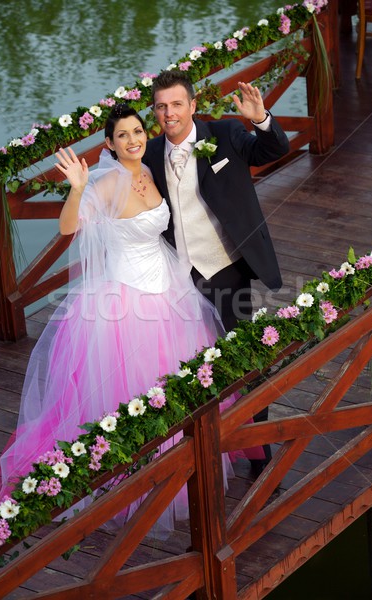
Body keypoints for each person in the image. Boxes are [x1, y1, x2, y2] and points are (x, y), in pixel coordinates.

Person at [0, 104, 263, 536]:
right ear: (110, 144)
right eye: (123, 135)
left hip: (170, 291)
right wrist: (78, 188)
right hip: (124, 301)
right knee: (130, 389)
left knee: (178, 382)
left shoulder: (149, 171)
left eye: (138, 131)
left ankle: (182, 463)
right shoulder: (106, 183)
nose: (134, 140)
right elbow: (67, 228)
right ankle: (136, 479)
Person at [143, 71, 290, 475]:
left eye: (176, 104)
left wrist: (261, 119)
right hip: (177, 275)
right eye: (161, 106)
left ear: (192, 105)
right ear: (154, 111)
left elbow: (273, 149)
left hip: (226, 268)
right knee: (188, 365)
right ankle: (201, 455)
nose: (169, 113)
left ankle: (259, 453)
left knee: (246, 359)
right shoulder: (151, 153)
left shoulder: (224, 134)